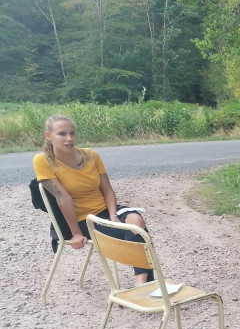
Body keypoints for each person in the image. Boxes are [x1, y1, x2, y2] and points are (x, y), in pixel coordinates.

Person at [33, 114, 153, 284]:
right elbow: (63, 198)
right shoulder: (43, 160)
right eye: (62, 134)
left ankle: (141, 282)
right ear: (48, 136)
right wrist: (75, 233)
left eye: (72, 133)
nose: (69, 138)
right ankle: (146, 283)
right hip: (84, 219)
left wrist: (113, 214)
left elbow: (107, 189)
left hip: (105, 210)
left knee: (136, 221)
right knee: (135, 234)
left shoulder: (90, 155)